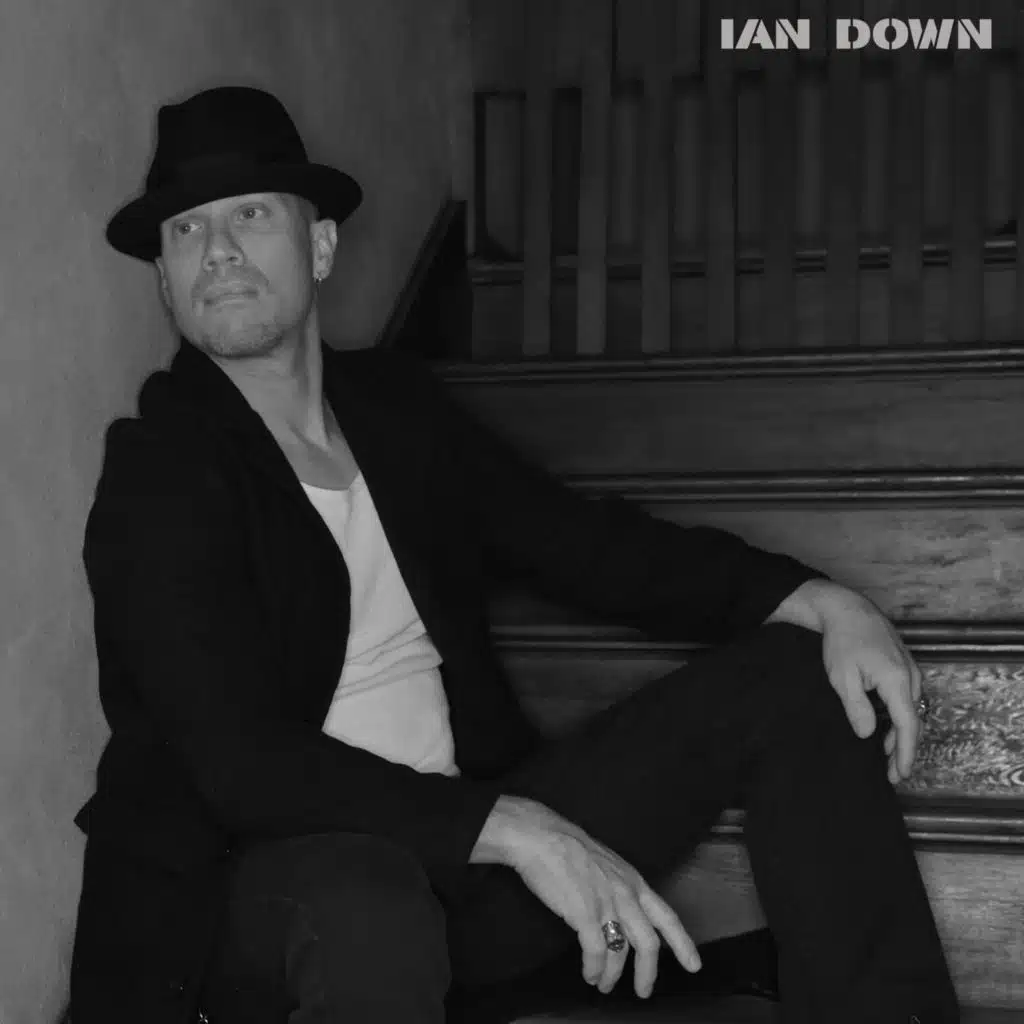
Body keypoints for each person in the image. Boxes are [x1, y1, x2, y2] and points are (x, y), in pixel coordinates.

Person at [70, 85, 959, 1024]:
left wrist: (817, 598)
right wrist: (511, 827)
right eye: (186, 230)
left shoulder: (395, 413)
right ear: (166, 279)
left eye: (250, 215)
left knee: (795, 676)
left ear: (320, 247)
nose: (216, 250)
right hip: (260, 895)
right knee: (366, 900)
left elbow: (582, 545)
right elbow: (244, 764)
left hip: (464, 869)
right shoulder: (159, 472)